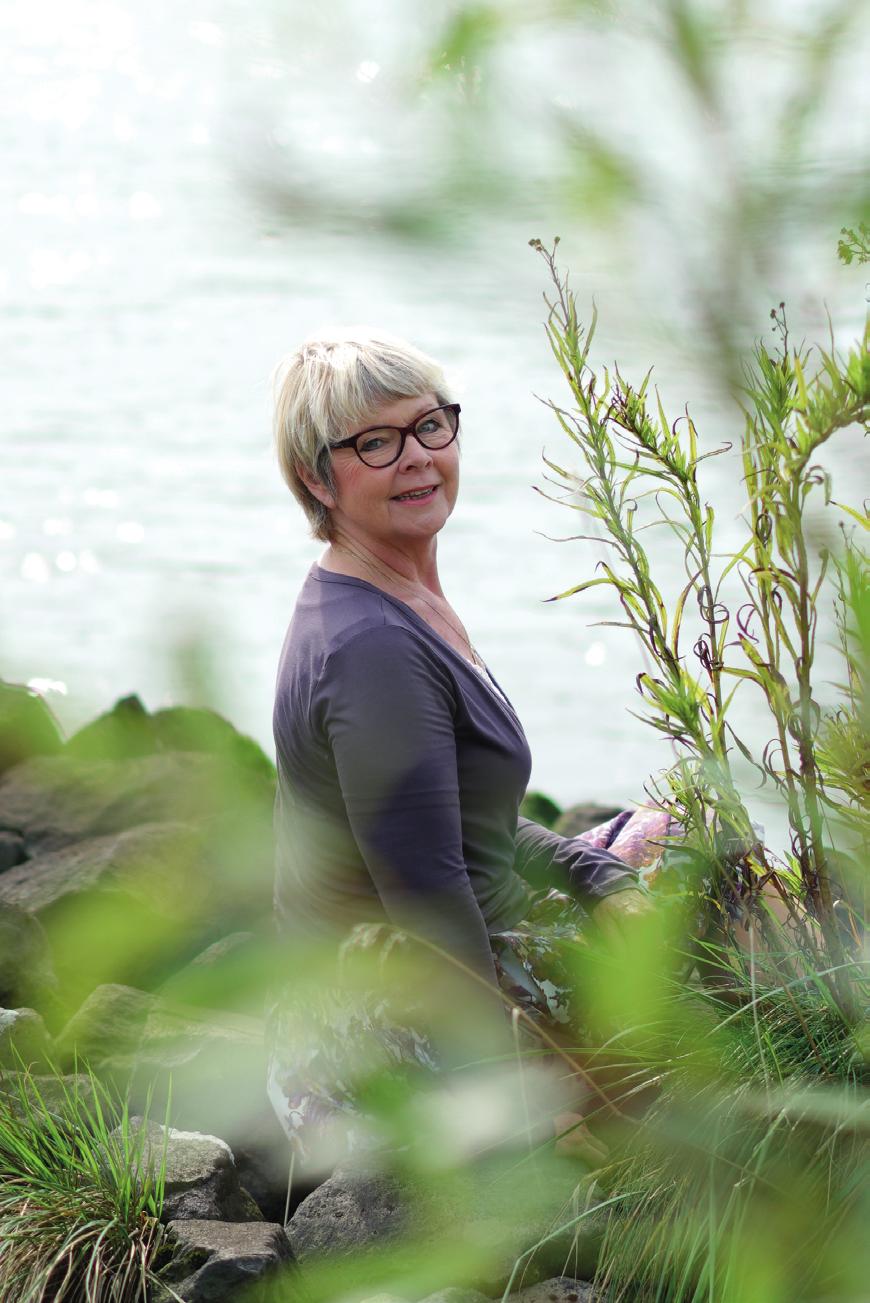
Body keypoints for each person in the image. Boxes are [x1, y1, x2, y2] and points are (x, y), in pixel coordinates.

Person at [267, 328, 672, 1179]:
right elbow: (427, 903)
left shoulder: (398, 591)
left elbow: (467, 823)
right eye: (375, 442)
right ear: (317, 475)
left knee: (669, 841)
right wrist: (522, 1108)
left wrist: (602, 879)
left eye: (430, 426)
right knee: (724, 910)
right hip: (382, 1032)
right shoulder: (369, 647)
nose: (416, 457)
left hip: (459, 950)